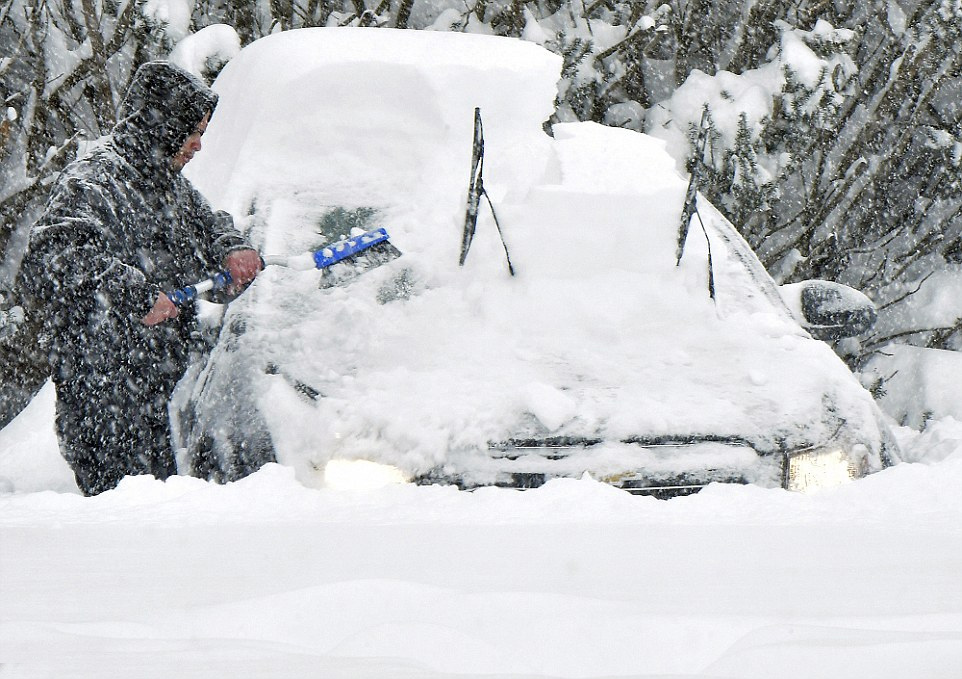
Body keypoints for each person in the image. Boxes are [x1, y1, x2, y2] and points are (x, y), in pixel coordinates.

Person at [17, 61, 262, 496]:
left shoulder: (168, 187)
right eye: (193, 132)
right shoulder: (93, 182)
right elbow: (53, 258)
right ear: (163, 125)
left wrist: (232, 250)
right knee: (128, 518)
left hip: (161, 393)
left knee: (165, 518)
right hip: (106, 399)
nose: (199, 145)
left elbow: (208, 230)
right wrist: (134, 294)